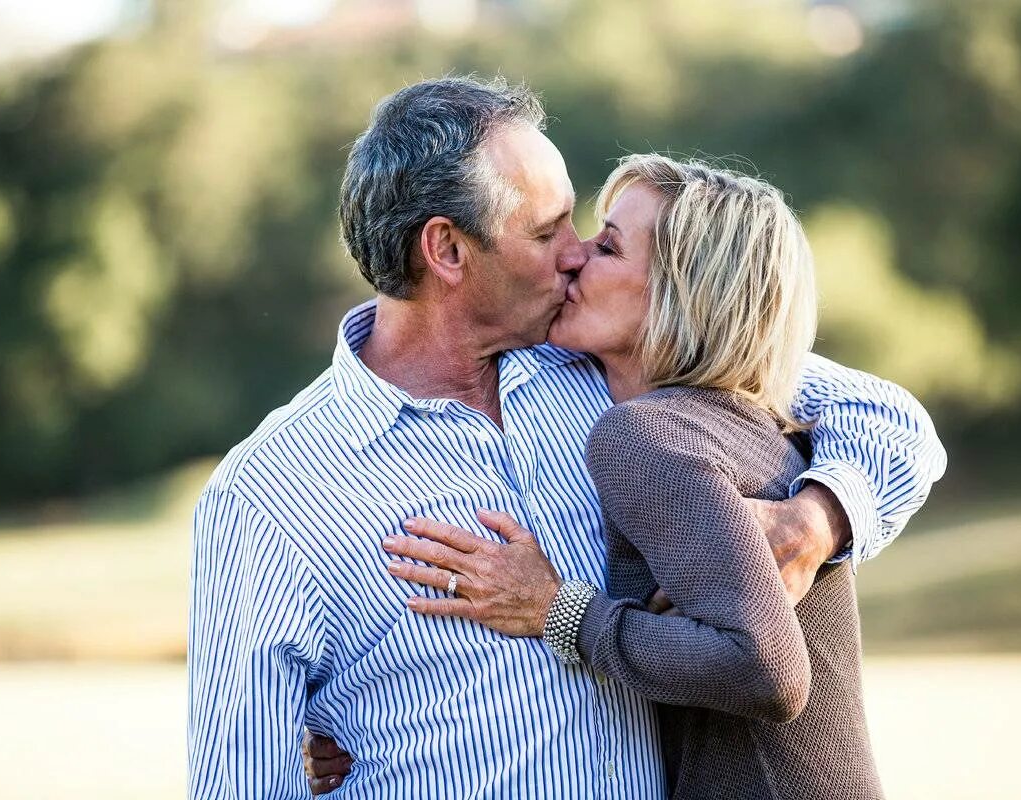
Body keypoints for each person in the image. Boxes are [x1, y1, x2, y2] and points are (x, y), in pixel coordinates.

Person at [189, 76, 946, 800]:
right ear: (447, 251)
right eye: (548, 231)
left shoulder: (614, 364)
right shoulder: (267, 497)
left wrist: (813, 522)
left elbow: (887, 419)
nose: (578, 251)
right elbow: (242, 775)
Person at [358, 154, 887, 798]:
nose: (576, 258)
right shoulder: (749, 423)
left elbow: (766, 670)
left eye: (607, 246)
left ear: (680, 290)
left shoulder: (645, 437)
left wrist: (558, 610)